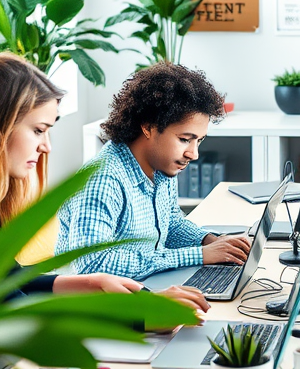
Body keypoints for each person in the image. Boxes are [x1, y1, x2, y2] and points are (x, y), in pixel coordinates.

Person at [0, 48, 209, 314]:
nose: (46, 146)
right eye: (38, 130)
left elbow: (5, 279)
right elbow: (14, 310)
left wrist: (90, 284)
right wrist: (139, 315)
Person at [56, 63, 251, 280]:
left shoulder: (161, 167)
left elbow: (171, 223)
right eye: (185, 140)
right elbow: (92, 265)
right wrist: (199, 255)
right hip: (96, 307)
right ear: (148, 127)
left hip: (144, 287)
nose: (193, 154)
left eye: (199, 140)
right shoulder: (103, 179)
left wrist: (209, 241)